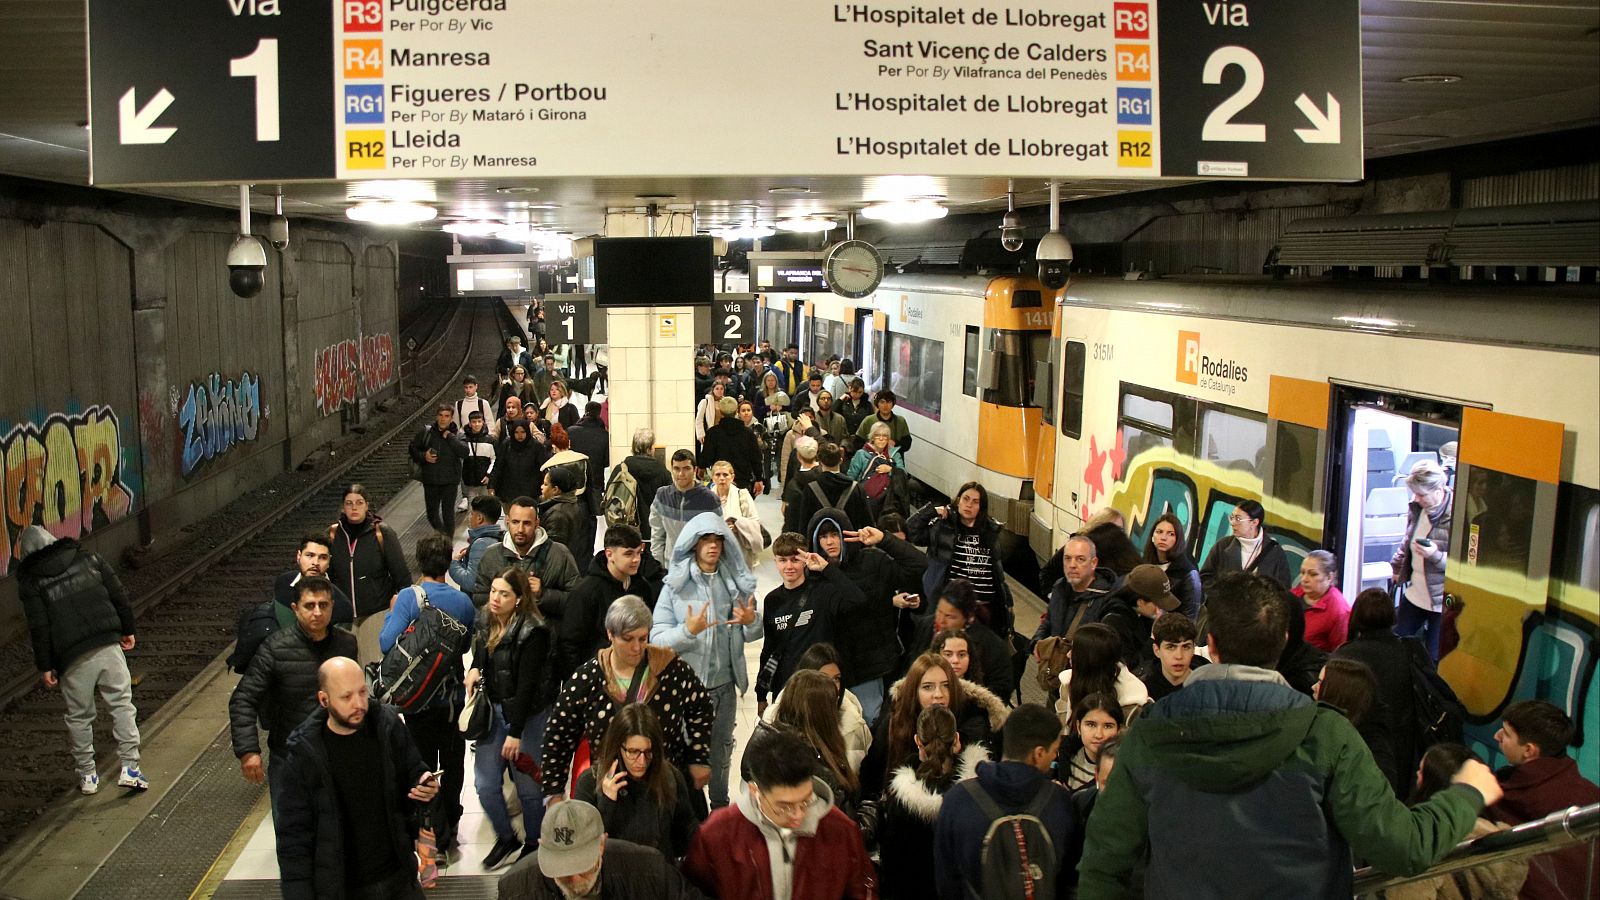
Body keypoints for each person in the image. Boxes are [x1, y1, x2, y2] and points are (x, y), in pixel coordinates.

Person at [1076, 571, 1505, 900]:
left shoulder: (1149, 734)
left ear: (1213, 644)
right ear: (1282, 641)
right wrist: (1466, 794)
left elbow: (1104, 860)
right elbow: (1403, 847)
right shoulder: (1325, 733)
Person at [274, 657, 437, 900]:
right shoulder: (303, 756)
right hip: (345, 887)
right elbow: (294, 839)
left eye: (362, 692)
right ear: (324, 699)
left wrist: (425, 784)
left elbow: (413, 771)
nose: (359, 704)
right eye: (346, 697)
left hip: (399, 876)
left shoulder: (387, 727)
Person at [541, 596, 715, 805]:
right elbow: (559, 733)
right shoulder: (588, 678)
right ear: (610, 635)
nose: (636, 648)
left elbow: (702, 708)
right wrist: (554, 791)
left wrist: (698, 756)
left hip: (665, 787)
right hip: (611, 790)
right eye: (628, 639)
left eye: (642, 639)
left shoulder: (670, 669)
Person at [16, 526, 146, 795]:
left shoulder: (32, 581)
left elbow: (39, 626)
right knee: (122, 704)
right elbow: (117, 593)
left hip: (71, 657)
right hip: (107, 643)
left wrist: (46, 665)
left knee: (79, 717)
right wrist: (127, 628)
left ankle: (88, 775)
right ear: (52, 540)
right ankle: (130, 768)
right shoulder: (87, 556)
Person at [652, 513, 763, 809]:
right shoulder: (675, 587)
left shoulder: (735, 585)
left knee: (721, 752)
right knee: (686, 753)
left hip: (725, 686)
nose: (713, 546)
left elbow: (754, 631)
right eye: (706, 540)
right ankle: (690, 812)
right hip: (687, 690)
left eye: (718, 540)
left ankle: (720, 808)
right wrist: (687, 631)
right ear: (693, 544)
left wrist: (751, 622)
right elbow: (656, 639)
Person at [683, 730, 876, 900]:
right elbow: (695, 891)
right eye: (784, 807)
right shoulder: (717, 834)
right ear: (754, 791)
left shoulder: (840, 830)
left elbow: (862, 890)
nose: (798, 815)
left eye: (806, 801)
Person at [378, 532, 476, 854]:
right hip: (451, 700)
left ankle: (429, 830)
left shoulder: (409, 596)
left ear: (419, 562)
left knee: (421, 767)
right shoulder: (463, 602)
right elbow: (463, 646)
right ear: (447, 563)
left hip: (417, 702)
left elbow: (385, 643)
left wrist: (393, 612)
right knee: (453, 765)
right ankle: (452, 827)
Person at [230, 577, 359, 808]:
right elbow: (244, 698)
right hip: (289, 759)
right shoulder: (274, 648)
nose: (317, 612)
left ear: (332, 606)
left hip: (337, 757)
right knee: (293, 836)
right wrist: (248, 751)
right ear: (295, 609)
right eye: (310, 606)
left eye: (324, 605)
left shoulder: (347, 645)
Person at [933, 703, 1075, 900]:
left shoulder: (957, 799)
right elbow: (1068, 879)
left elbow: (946, 882)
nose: (1055, 757)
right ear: (1039, 753)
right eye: (1054, 751)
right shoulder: (1059, 801)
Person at [465, 567, 557, 869]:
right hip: (494, 711)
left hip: (527, 718)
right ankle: (506, 837)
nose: (495, 598)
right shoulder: (486, 618)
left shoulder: (534, 631)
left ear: (518, 599)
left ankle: (534, 842)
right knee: (485, 784)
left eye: (504, 593)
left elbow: (528, 687)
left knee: (529, 789)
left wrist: (515, 732)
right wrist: (475, 667)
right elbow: (482, 648)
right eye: (493, 591)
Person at [809, 511, 925, 724]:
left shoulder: (873, 561)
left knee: (868, 725)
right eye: (823, 537)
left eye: (835, 534)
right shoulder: (814, 575)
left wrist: (885, 540)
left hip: (871, 666)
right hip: (831, 669)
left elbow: (919, 565)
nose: (830, 542)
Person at [1376, 744, 1528, 900]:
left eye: (1422, 772)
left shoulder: (1428, 841)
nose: (1417, 774)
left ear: (1432, 783)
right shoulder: (1503, 843)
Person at [1487, 700, 1600, 900]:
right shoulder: (1590, 795)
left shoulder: (1502, 797)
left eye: (1506, 733)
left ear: (1529, 750)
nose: (1497, 736)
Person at [863, 652, 1009, 801]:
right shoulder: (894, 722)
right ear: (914, 692)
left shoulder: (973, 723)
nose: (938, 694)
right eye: (928, 687)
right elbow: (870, 777)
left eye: (946, 686)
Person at [878, 705, 988, 899]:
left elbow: (892, 863)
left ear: (918, 741)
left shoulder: (901, 799)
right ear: (956, 741)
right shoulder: (978, 791)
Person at [498, 799, 708, 900]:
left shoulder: (649, 871)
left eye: (582, 865)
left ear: (601, 844)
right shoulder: (516, 888)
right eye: (560, 869)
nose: (573, 878)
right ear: (542, 848)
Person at [756, 534, 869, 715]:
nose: (789, 566)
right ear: (775, 562)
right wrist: (761, 694)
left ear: (805, 560)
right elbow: (769, 648)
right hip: (786, 688)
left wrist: (826, 568)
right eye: (783, 560)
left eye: (795, 560)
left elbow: (858, 600)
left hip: (821, 687)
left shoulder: (823, 592)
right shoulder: (772, 600)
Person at [573, 704, 698, 859]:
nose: (642, 761)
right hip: (612, 876)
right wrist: (606, 804)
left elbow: (685, 836)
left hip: (658, 874)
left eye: (648, 752)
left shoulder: (671, 778)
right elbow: (581, 847)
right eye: (633, 752)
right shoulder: (589, 782)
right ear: (618, 747)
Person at [1334, 587, 1422, 794]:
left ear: (1356, 616)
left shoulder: (1345, 656)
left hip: (1360, 746)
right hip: (1404, 746)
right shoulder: (1410, 651)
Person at [742, 670, 862, 816]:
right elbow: (844, 829)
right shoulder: (815, 768)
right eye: (834, 703)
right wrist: (871, 811)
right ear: (823, 713)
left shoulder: (766, 738)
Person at [559, 524, 663, 683]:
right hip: (597, 679)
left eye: (638, 553)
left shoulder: (642, 587)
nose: (636, 559)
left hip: (634, 677)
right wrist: (580, 683)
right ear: (610, 554)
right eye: (628, 554)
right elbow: (569, 644)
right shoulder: (586, 592)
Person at [908, 481, 1012, 633]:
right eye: (966, 499)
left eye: (975, 502)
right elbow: (911, 531)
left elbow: (996, 571)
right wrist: (931, 511)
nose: (969, 505)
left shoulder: (990, 532)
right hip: (952, 608)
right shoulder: (943, 526)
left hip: (983, 611)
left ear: (981, 508)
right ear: (958, 500)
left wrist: (1006, 602)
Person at [328, 483, 411, 665]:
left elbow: (402, 576)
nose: (354, 507)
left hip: (376, 611)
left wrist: (398, 606)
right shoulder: (335, 535)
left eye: (359, 502)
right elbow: (331, 575)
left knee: (371, 665)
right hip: (344, 617)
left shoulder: (381, 533)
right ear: (343, 507)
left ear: (367, 505)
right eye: (349, 503)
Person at [761, 643, 874, 773]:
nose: (832, 686)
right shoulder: (776, 719)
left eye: (836, 679)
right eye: (823, 679)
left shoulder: (854, 725)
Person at [470, 496, 582, 625]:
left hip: (544, 638)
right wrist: (504, 598)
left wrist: (543, 594)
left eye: (527, 523)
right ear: (507, 521)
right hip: (501, 636)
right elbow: (478, 597)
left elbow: (577, 601)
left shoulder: (559, 554)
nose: (520, 529)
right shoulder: (491, 555)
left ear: (537, 523)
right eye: (515, 522)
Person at [905, 579, 1015, 703]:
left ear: (968, 618)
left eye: (949, 616)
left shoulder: (992, 646)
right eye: (939, 611)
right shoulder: (926, 626)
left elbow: (1000, 691)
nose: (941, 620)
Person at [1392, 460, 1453, 659]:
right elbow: (1407, 539)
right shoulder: (1418, 510)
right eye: (1415, 493)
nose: (1416, 498)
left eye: (1421, 494)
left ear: (1438, 490)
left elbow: (1462, 567)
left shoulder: (1457, 517)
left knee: (1435, 656)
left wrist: (1434, 555)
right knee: (1397, 645)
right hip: (1415, 593)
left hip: (1440, 601)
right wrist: (1397, 565)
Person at [1031, 535, 1126, 657]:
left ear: (1093, 563)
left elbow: (1108, 647)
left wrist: (1080, 655)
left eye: (1080, 559)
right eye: (1067, 559)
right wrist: (1037, 642)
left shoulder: (1107, 599)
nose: (1072, 565)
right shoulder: (1059, 588)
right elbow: (1049, 622)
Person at [1314, 658, 1399, 790]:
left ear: (1337, 693)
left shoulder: (1372, 748)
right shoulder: (1328, 726)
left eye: (1320, 682)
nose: (1313, 687)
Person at [1057, 622, 1150, 725]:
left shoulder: (1132, 706)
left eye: (1075, 651)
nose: (1068, 654)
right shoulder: (1069, 683)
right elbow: (1063, 727)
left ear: (1091, 659)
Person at [1198, 499, 1293, 589]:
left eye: (1238, 519)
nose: (1232, 523)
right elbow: (1204, 578)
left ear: (1254, 522)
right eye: (1232, 517)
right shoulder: (1222, 546)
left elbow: (1284, 589)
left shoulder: (1275, 552)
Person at [648, 450, 722, 560]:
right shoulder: (662, 496)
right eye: (676, 468)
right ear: (671, 470)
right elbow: (657, 536)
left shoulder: (709, 499)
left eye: (686, 468)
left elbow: (718, 536)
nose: (681, 474)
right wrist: (658, 567)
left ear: (695, 470)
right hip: (671, 566)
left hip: (700, 567)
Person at [272, 532, 355, 629]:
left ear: (329, 561)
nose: (315, 563)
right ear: (299, 556)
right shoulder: (283, 582)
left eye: (323, 557)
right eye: (310, 555)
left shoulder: (341, 605)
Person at [410, 404, 470, 534]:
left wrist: (450, 437)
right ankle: (444, 537)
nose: (443, 419)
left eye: (446, 416)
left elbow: (465, 452)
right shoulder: (427, 432)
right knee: (431, 515)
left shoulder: (458, 435)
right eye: (441, 416)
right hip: (431, 480)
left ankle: (447, 543)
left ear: (451, 418)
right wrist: (423, 456)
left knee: (448, 514)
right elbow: (413, 449)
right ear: (437, 416)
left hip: (450, 481)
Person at [1141, 511, 1202, 619]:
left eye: (1171, 534)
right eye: (1159, 532)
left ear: (1178, 540)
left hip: (1168, 632)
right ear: (1152, 536)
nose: (1163, 537)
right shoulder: (1144, 565)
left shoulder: (1188, 573)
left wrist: (1157, 615)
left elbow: (1188, 619)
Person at [701, 397, 766, 497]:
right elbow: (756, 458)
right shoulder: (748, 433)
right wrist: (759, 479)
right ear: (736, 411)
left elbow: (706, 458)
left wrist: (701, 467)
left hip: (719, 481)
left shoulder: (712, 433)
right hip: (743, 482)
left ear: (721, 412)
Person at [1137, 611, 1208, 703]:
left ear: (1193, 649)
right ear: (1157, 651)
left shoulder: (1210, 682)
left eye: (1186, 647)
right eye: (1170, 647)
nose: (1179, 656)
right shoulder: (1143, 691)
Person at [1062, 692, 1125, 790]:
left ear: (1118, 730)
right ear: (1078, 727)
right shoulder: (1063, 756)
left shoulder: (1126, 769)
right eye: (1091, 725)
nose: (1099, 735)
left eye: (1108, 726)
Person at [846, 421, 908, 521]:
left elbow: (903, 474)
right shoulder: (861, 454)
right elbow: (851, 477)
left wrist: (891, 470)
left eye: (884, 436)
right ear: (872, 437)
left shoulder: (895, 454)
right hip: (865, 501)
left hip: (889, 502)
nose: (881, 438)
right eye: (877, 435)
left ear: (888, 438)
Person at [620, 428, 673, 541]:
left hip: (628, 530)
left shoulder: (623, 469)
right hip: (655, 531)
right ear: (650, 448)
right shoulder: (663, 472)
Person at [1295, 549, 1351, 653]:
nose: (1304, 579)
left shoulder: (1339, 611)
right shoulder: (1292, 595)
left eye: (1313, 574)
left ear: (1330, 577)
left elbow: (1340, 653)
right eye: (1302, 573)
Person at [709, 459, 765, 562]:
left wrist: (738, 526)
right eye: (718, 475)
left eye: (725, 475)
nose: (722, 478)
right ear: (712, 478)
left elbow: (755, 522)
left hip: (739, 550)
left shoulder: (742, 495)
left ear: (732, 477)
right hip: (714, 551)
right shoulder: (707, 498)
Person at [449, 494, 504, 592]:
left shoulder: (481, 544)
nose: (469, 517)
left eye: (471, 514)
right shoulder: (497, 537)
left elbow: (471, 583)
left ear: (479, 518)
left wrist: (454, 563)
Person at [540, 466, 594, 566]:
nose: (542, 487)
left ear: (555, 489)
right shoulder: (572, 504)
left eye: (546, 484)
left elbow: (554, 549)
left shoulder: (557, 514)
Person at [493, 418, 552, 501]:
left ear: (527, 431)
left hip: (531, 491)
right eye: (516, 432)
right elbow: (498, 466)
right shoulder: (506, 445)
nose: (520, 435)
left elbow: (543, 468)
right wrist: (492, 486)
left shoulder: (536, 446)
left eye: (523, 432)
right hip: (509, 490)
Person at [567, 400, 610, 503]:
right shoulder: (604, 435)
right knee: (593, 514)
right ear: (599, 413)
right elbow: (607, 461)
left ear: (585, 412)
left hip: (574, 480)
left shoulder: (571, 431)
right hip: (596, 482)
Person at [779, 435, 822, 533]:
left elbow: (791, 520)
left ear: (798, 456)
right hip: (821, 530)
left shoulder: (794, 484)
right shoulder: (825, 476)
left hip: (799, 532)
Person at [459, 408, 497, 510]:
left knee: (485, 507)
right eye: (474, 422)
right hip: (469, 480)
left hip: (485, 479)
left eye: (479, 421)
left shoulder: (490, 441)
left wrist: (489, 475)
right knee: (473, 507)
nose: (476, 424)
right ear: (470, 423)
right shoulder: (464, 440)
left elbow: (494, 459)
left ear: (483, 422)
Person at [855, 389, 912, 456]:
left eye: (888, 402)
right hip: (871, 460)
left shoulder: (900, 421)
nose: (885, 405)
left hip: (894, 461)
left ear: (893, 404)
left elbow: (907, 443)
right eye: (882, 402)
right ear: (877, 404)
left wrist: (895, 443)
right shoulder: (868, 420)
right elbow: (857, 442)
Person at [694, 378, 729, 449]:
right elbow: (699, 419)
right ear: (713, 390)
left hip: (723, 433)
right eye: (717, 389)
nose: (719, 391)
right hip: (710, 432)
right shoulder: (705, 402)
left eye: (721, 389)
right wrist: (700, 434)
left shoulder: (726, 402)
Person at [837, 379, 873, 446]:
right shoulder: (844, 402)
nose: (856, 395)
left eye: (860, 392)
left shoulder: (867, 405)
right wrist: (840, 400)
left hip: (862, 438)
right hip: (845, 437)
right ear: (850, 389)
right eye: (854, 392)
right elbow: (833, 411)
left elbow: (870, 420)